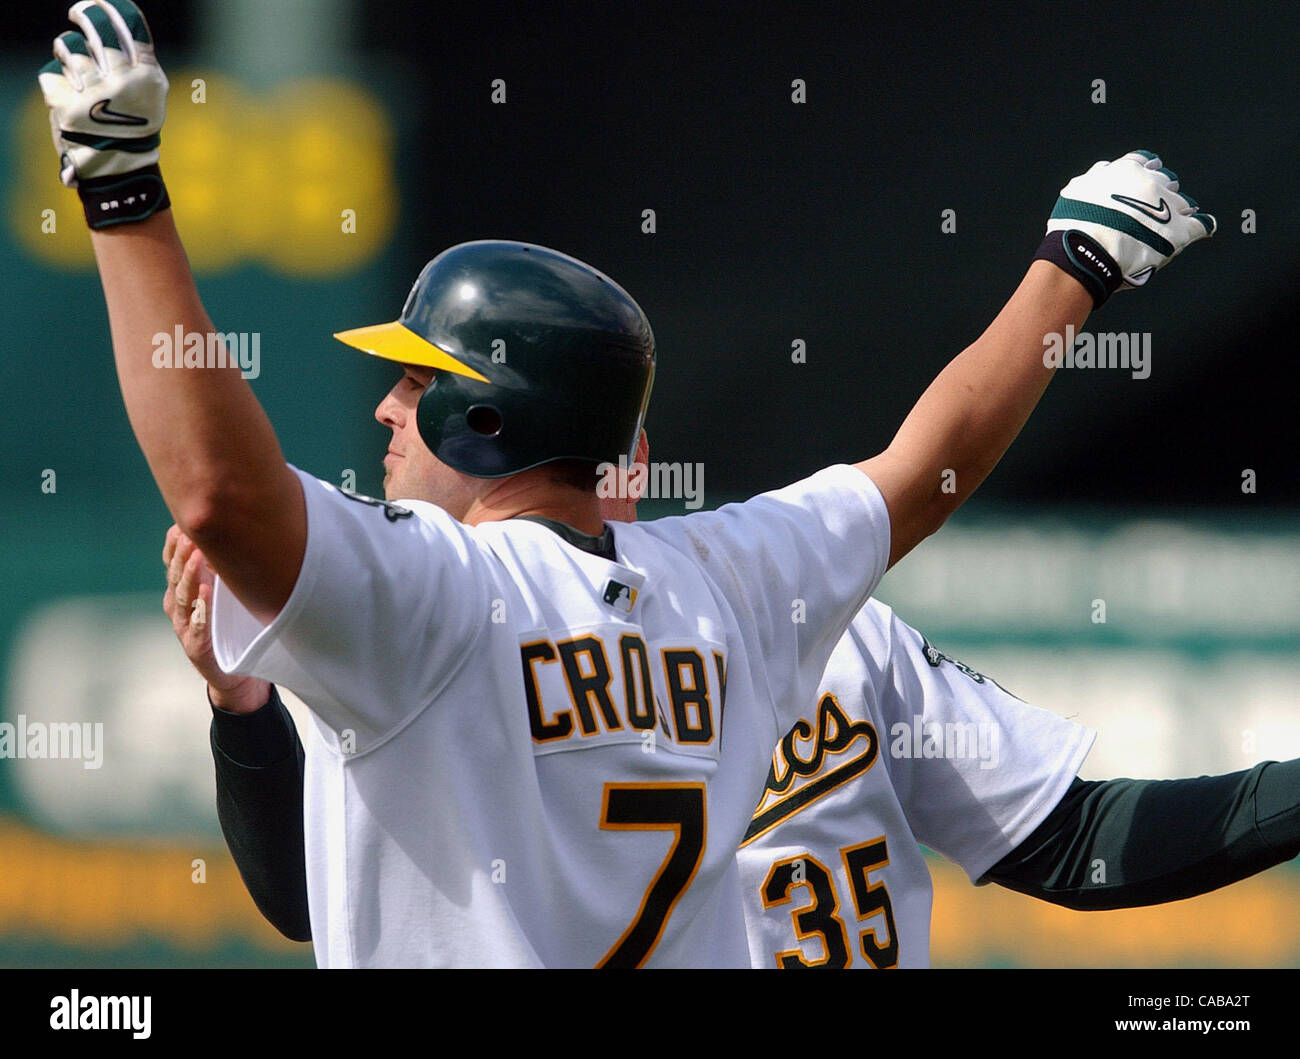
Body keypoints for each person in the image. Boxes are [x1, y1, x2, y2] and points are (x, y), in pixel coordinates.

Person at [43, 0, 1216, 966]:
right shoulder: (732, 583)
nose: (387, 411)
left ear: (488, 416)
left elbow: (216, 491)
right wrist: (1075, 265)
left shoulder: (423, 597)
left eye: (415, 384)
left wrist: (121, 191)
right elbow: (927, 468)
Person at [164, 453, 1300, 968]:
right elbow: (309, 905)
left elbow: (1069, 837)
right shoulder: (399, 651)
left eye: (422, 399)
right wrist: (243, 706)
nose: (391, 427)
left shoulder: (814, 615)